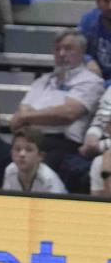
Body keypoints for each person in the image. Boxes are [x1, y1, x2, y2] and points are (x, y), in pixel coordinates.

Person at [11, 28, 104, 193]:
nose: (61, 54)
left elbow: (68, 114)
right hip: (30, 141)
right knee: (4, 165)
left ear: (82, 52)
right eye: (57, 49)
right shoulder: (42, 81)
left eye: (68, 49)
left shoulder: (91, 81)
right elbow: (18, 118)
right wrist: (48, 114)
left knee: (37, 171)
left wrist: (30, 115)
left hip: (63, 146)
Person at [3, 127, 68, 194]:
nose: (21, 154)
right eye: (17, 149)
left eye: (29, 150)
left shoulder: (49, 180)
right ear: (11, 153)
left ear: (40, 156)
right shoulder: (9, 171)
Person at [78, 0, 111, 84]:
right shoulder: (89, 20)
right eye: (106, 1)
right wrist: (88, 60)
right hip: (93, 81)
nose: (110, 7)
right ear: (98, 2)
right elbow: (78, 48)